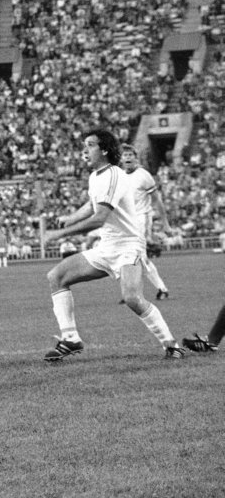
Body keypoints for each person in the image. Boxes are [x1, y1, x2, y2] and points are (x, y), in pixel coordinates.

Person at [41, 129, 186, 361]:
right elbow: (91, 206)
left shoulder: (115, 175)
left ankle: (171, 344)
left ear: (105, 149)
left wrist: (59, 233)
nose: (84, 150)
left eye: (90, 145)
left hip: (128, 246)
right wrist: (71, 218)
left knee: (132, 298)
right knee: (56, 277)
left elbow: (99, 218)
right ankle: (71, 339)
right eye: (84, 145)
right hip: (107, 246)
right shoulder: (95, 176)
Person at [120, 144, 171, 301]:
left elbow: (157, 200)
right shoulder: (120, 176)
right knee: (124, 256)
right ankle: (130, 292)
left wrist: (165, 223)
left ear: (136, 158)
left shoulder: (144, 175)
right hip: (126, 220)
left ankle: (161, 289)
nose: (128, 158)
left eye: (131, 155)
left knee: (139, 256)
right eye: (125, 155)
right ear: (121, 159)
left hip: (141, 218)